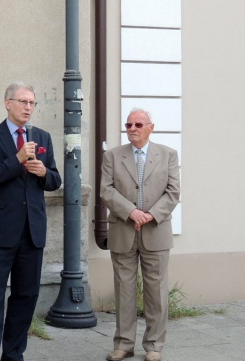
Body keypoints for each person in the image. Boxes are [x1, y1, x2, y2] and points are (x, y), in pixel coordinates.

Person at [0, 82, 61, 361]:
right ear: (7, 103)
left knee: (25, 298)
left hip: (32, 232)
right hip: (1, 232)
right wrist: (18, 158)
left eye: (32, 103)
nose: (27, 107)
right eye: (22, 101)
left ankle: (13, 355)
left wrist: (43, 172)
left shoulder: (43, 136)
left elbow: (55, 181)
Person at [101, 108, 180, 361]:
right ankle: (124, 344)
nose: (132, 129)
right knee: (124, 289)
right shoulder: (113, 156)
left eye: (138, 124)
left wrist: (150, 215)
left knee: (155, 290)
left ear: (150, 127)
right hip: (123, 230)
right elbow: (106, 190)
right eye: (128, 125)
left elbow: (173, 192)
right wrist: (131, 212)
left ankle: (154, 345)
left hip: (155, 230)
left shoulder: (167, 155)